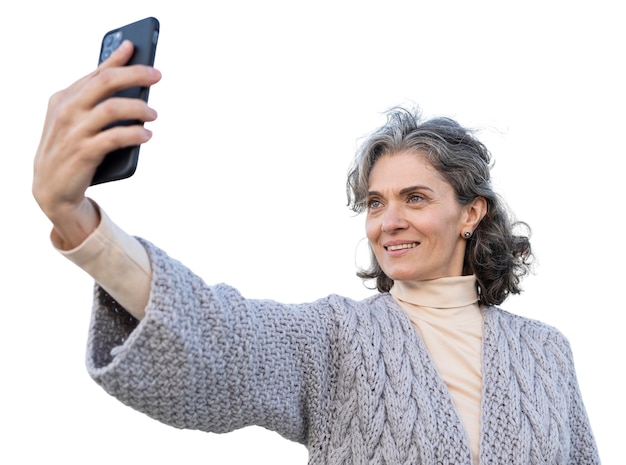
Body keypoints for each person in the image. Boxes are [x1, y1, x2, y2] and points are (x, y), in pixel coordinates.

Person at [32, 40, 600, 465]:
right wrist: (78, 222)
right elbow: (224, 338)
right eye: (375, 203)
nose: (389, 222)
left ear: (471, 213)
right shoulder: (337, 338)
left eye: (416, 198)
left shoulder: (547, 353)